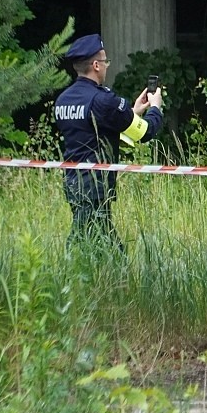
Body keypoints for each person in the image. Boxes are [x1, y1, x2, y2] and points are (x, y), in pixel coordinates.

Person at [54, 33, 163, 250]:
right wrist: (155, 108)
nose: (106, 66)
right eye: (105, 61)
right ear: (96, 65)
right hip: (95, 187)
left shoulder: (63, 99)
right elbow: (145, 132)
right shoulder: (103, 100)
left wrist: (132, 113)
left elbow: (95, 132)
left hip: (73, 183)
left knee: (92, 240)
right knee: (92, 243)